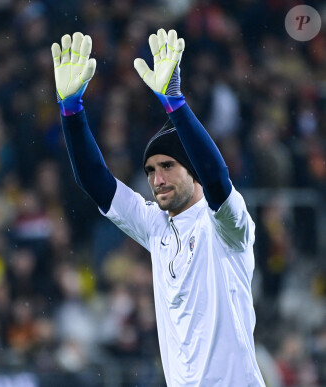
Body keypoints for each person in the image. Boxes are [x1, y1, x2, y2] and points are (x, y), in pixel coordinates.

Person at [51, 29, 266, 386]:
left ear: (191, 170)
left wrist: (176, 104)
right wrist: (71, 113)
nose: (157, 179)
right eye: (151, 170)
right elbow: (95, 180)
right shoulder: (155, 226)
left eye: (168, 166)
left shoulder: (226, 225)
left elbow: (215, 177)